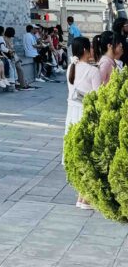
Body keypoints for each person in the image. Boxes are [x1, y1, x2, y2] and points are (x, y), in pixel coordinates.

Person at [64, 37, 102, 209]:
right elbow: (98, 97)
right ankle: (85, 197)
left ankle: (81, 195)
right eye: (92, 48)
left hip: (72, 115)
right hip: (86, 114)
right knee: (88, 154)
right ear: (87, 50)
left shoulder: (71, 67)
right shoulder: (93, 71)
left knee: (77, 154)